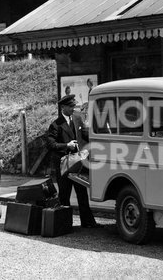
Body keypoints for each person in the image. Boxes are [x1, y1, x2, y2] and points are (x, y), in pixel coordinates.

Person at [47, 94, 101, 227]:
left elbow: (84, 135)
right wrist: (67, 145)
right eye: (71, 106)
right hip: (64, 165)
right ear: (63, 108)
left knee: (82, 193)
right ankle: (65, 224)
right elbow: (50, 145)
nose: (73, 109)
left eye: (74, 106)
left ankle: (88, 222)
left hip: (78, 163)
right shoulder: (55, 125)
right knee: (64, 195)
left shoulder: (77, 117)